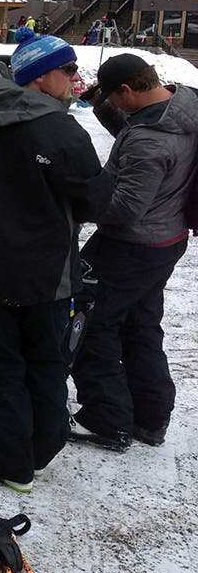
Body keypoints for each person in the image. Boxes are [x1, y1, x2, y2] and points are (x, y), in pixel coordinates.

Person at [0, 36, 112, 493]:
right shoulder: (61, 131)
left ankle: (10, 460)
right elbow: (95, 200)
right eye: (68, 69)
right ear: (39, 75)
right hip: (46, 276)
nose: (75, 78)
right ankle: (32, 458)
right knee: (44, 363)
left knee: (2, 367)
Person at [70, 54, 198, 450]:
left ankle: (106, 419)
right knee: (140, 325)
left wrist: (77, 201)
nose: (114, 104)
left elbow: (125, 207)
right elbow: (140, 127)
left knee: (90, 323)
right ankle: (150, 416)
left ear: (128, 89)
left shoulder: (149, 141)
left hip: (130, 245)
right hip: (168, 237)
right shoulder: (185, 104)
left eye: (115, 97)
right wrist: (105, 109)